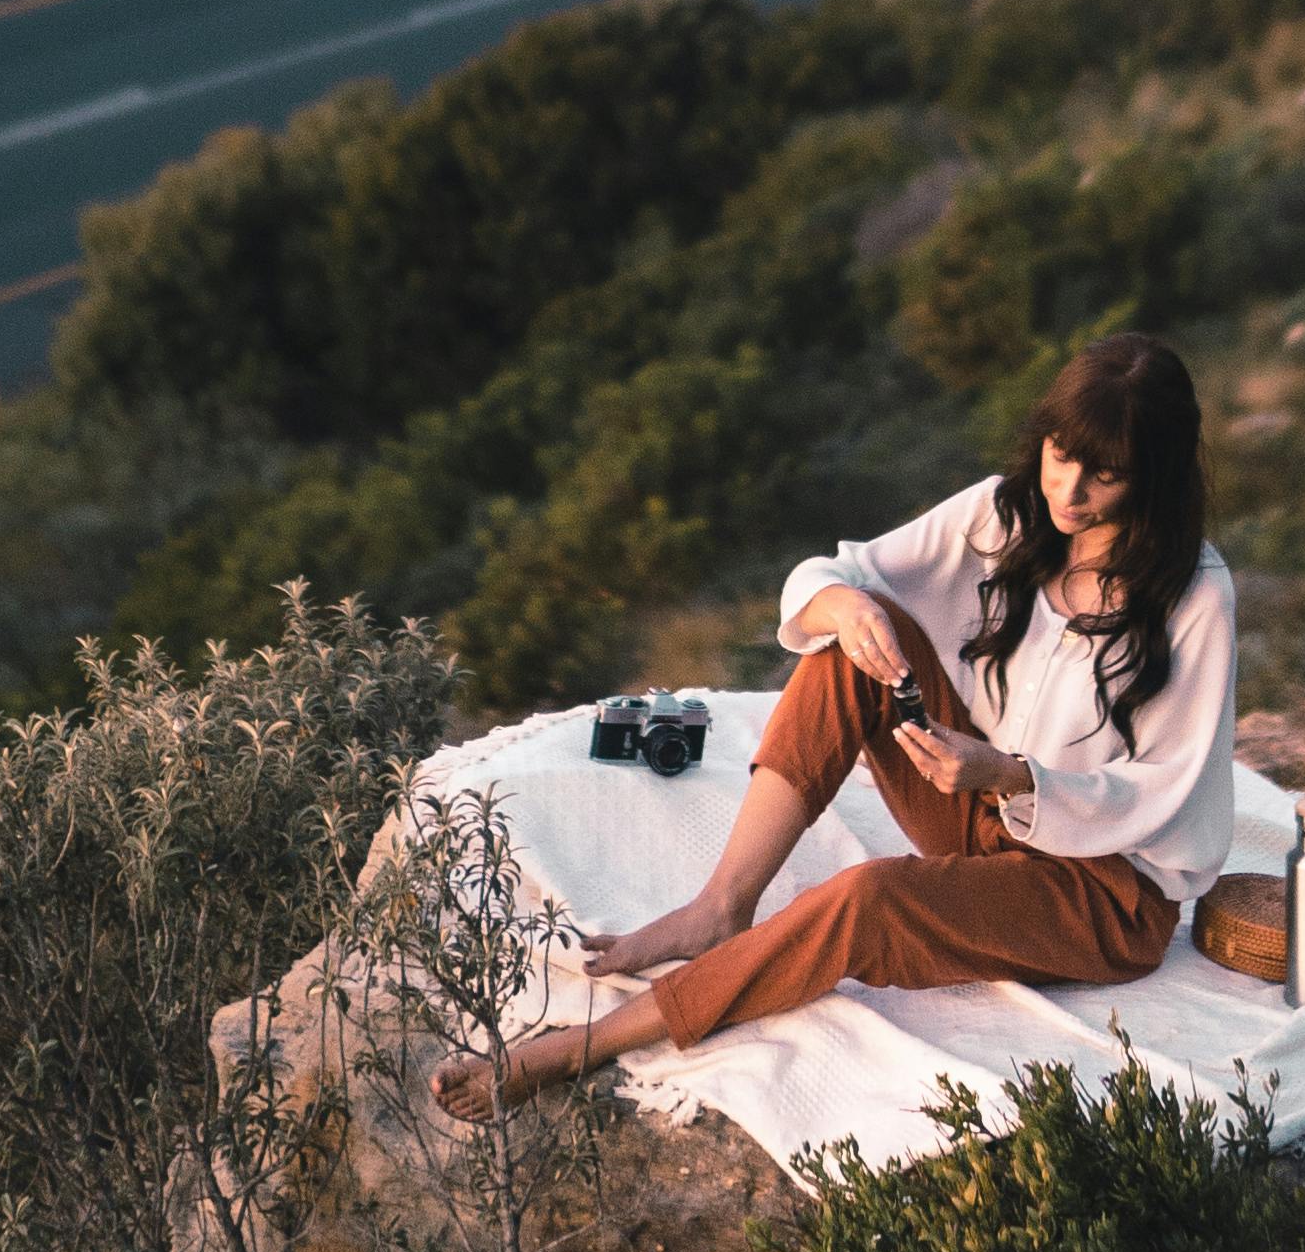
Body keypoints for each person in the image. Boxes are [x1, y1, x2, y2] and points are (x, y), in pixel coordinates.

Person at [435, 328, 1236, 1123]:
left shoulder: (1191, 597)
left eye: (1105, 476)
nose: (1069, 491)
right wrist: (851, 608)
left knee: (868, 900)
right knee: (854, 640)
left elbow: (1169, 786)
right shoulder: (1009, 513)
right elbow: (832, 576)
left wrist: (1010, 775)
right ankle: (722, 904)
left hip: (1100, 893)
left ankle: (583, 1045)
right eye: (1061, 455)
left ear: (1154, 477)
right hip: (986, 817)